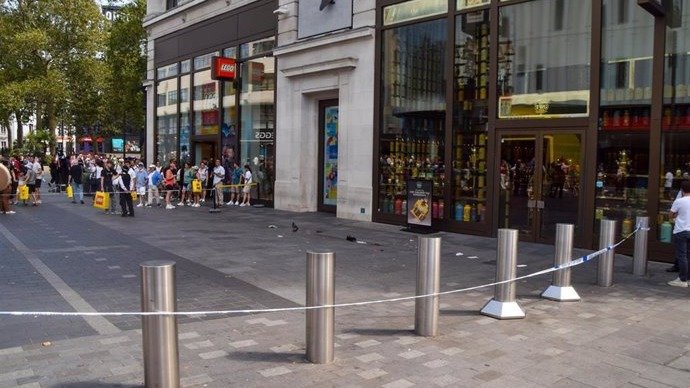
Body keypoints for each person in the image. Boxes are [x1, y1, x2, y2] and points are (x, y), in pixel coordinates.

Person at [668, 180, 690, 287]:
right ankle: (688, 278)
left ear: (681, 190)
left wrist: (677, 216)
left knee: (682, 256)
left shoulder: (679, 201)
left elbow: (671, 215)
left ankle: (682, 280)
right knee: (689, 255)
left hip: (681, 230)